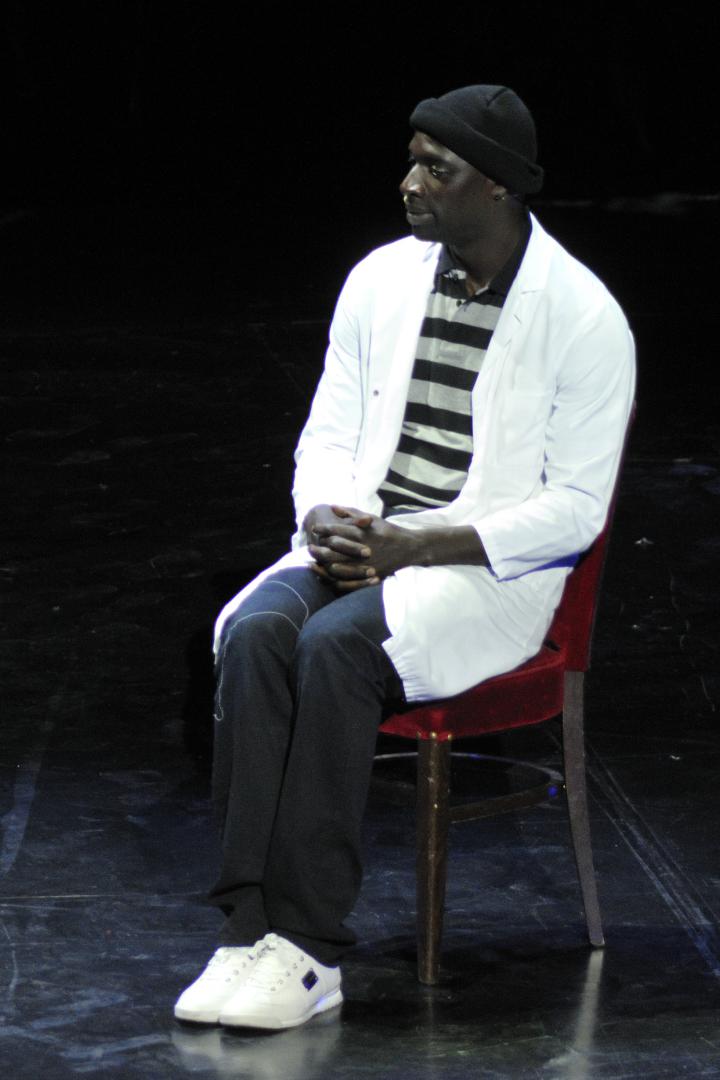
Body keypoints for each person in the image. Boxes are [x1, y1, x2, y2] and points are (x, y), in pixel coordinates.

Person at [174, 84, 635, 1031]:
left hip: (482, 573)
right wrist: (324, 517)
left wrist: (417, 545)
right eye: (413, 160)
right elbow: (329, 431)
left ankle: (308, 950)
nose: (410, 182)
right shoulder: (381, 280)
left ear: (498, 185)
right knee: (256, 631)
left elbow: (575, 511)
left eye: (437, 168)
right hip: (372, 540)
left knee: (336, 645)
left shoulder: (584, 316)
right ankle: (248, 929)